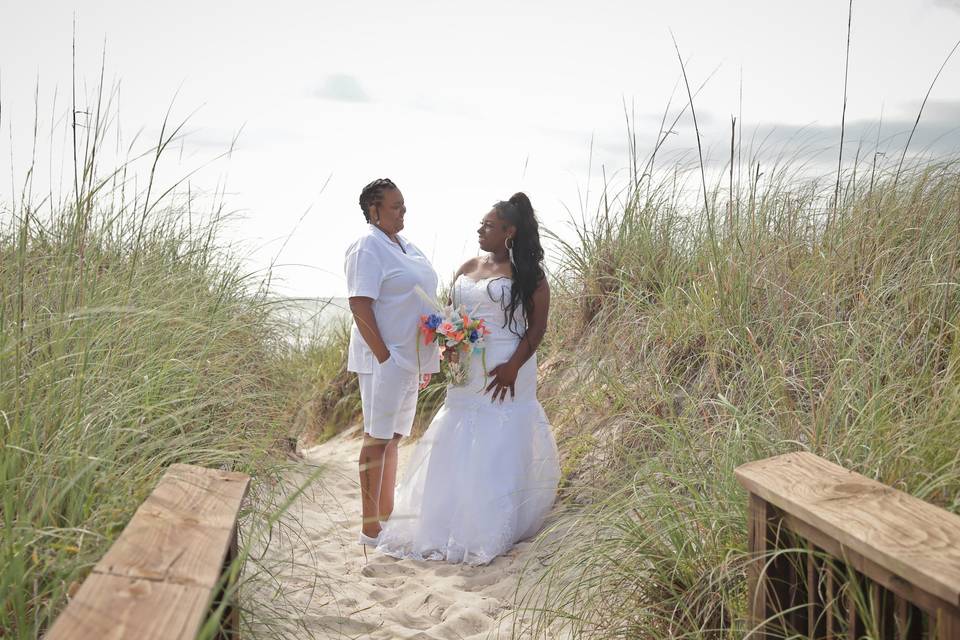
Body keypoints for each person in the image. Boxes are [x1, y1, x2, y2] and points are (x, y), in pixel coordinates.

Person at [376, 192, 560, 565]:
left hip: (508, 364)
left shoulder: (529, 275)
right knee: (455, 432)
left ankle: (487, 524)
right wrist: (447, 343)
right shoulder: (467, 267)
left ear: (509, 232)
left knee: (498, 438)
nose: (480, 229)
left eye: (488, 226)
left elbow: (537, 328)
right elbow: (450, 314)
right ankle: (445, 519)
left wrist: (513, 367)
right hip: (467, 367)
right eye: (481, 224)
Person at [344, 178, 440, 547]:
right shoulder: (367, 245)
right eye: (396, 206)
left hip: (410, 360)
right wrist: (385, 357)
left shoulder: (406, 245)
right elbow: (359, 303)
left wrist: (426, 358)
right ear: (375, 210)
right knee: (376, 438)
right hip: (385, 359)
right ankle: (370, 529)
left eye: (404, 205)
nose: (403, 212)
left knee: (394, 439)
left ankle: (385, 522)